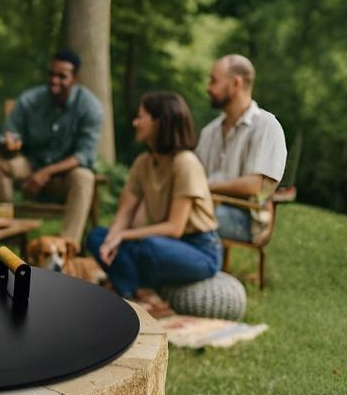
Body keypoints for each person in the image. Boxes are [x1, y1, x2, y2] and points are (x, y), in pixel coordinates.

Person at [87, 92, 221, 306]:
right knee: (96, 237)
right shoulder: (142, 163)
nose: (135, 122)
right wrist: (112, 239)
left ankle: (130, 287)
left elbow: (175, 228)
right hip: (161, 244)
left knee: (147, 246)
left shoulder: (185, 163)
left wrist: (124, 235)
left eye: (141, 117)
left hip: (199, 251)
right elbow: (125, 212)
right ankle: (133, 293)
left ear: (159, 122)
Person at [0, 50, 102, 245]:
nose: (54, 80)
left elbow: (84, 155)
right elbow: (8, 135)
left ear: (75, 78)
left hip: (64, 178)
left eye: (62, 76)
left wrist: (46, 173)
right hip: (29, 171)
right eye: (51, 74)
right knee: (0, 163)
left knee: (85, 177)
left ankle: (67, 248)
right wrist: (9, 145)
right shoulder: (30, 100)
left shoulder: (90, 106)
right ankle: (8, 237)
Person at [194, 54, 287, 244]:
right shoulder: (209, 132)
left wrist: (206, 187)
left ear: (236, 83)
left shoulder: (267, 126)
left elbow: (256, 185)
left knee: (186, 214)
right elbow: (195, 176)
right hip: (208, 207)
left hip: (249, 221)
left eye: (214, 81)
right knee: (173, 208)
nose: (208, 88)